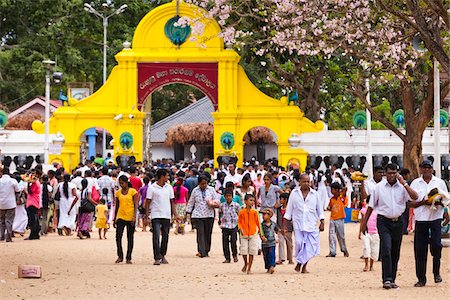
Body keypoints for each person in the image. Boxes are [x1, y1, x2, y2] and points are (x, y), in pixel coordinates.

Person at [361, 163, 418, 289]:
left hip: (398, 222)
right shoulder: (379, 188)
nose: (392, 175)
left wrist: (404, 183)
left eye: (394, 173)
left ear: (397, 173)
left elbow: (415, 197)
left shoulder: (402, 187)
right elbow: (370, 206)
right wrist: (364, 224)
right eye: (389, 173)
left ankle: (392, 279)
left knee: (395, 252)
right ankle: (386, 279)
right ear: (385, 174)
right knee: (386, 248)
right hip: (383, 221)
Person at [409, 160, 448, 287]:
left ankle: (436, 272)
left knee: (437, 245)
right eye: (424, 168)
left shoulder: (440, 182)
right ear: (420, 169)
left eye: (428, 168)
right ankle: (421, 278)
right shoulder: (415, 183)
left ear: (432, 169)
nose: (426, 170)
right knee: (420, 250)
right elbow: (410, 203)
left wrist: (437, 202)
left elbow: (446, 200)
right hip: (421, 220)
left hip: (435, 218)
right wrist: (423, 202)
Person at [284, 173, 324, 273]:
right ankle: (299, 262)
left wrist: (322, 221)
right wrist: (284, 225)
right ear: (300, 182)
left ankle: (302, 265)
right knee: (299, 243)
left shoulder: (315, 194)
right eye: (304, 181)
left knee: (309, 246)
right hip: (298, 223)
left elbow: (320, 209)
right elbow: (289, 210)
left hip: (311, 224)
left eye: (308, 181)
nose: (306, 183)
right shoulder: (294, 193)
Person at [145, 168, 177, 265]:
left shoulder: (169, 188)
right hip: (155, 214)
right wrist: (147, 216)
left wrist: (175, 214)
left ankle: (163, 255)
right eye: (167, 175)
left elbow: (172, 202)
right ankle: (157, 257)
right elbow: (148, 202)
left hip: (166, 215)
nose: (168, 177)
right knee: (156, 236)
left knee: (165, 237)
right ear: (162, 176)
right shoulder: (152, 187)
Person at [186, 175, 218, 258]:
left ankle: (206, 250)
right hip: (198, 215)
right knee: (200, 233)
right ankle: (201, 251)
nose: (204, 185)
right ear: (199, 183)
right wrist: (188, 212)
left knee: (208, 233)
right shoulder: (195, 191)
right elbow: (191, 202)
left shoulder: (211, 190)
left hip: (209, 214)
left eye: (205, 184)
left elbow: (217, 200)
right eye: (202, 184)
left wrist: (212, 203)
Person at [114, 175, 138, 263]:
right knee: (118, 237)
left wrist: (134, 216)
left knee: (130, 238)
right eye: (120, 183)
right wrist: (114, 218)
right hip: (120, 216)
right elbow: (116, 206)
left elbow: (136, 205)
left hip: (130, 217)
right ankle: (120, 256)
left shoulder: (133, 192)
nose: (121, 185)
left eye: (122, 183)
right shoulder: (118, 193)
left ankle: (129, 257)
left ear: (126, 182)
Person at [238, 194, 262, 274]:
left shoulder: (255, 212)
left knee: (252, 251)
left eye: (253, 201)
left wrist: (261, 232)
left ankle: (249, 268)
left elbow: (258, 222)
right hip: (244, 234)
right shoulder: (241, 212)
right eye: (250, 200)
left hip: (253, 233)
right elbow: (239, 222)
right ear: (245, 201)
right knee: (244, 251)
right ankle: (245, 263)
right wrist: (240, 229)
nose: (252, 202)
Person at [326, 182, 349, 257]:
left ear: (336, 190)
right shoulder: (331, 199)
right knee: (331, 235)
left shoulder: (342, 197)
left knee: (341, 236)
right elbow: (329, 207)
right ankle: (332, 251)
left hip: (340, 219)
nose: (331, 191)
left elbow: (345, 189)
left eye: (332, 190)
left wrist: (340, 191)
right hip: (332, 219)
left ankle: (344, 249)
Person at [0, 167, 21, 242]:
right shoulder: (13, 181)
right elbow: (18, 191)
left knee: (1, 220)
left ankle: (1, 236)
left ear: (1, 173)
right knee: (9, 220)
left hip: (1, 204)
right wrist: (17, 199)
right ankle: (8, 237)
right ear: (9, 173)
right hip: (11, 203)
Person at [219, 190, 240, 263]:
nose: (228, 198)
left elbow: (239, 214)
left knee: (233, 241)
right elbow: (220, 213)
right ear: (224, 197)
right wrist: (220, 221)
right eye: (227, 196)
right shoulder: (222, 205)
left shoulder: (236, 205)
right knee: (225, 242)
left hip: (234, 225)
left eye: (230, 196)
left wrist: (239, 224)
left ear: (232, 197)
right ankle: (227, 257)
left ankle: (234, 255)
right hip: (225, 225)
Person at [359, 196, 379, 272]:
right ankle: (366, 265)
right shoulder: (363, 210)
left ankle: (371, 266)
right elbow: (362, 222)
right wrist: (360, 232)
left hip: (375, 232)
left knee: (374, 249)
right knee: (366, 248)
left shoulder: (378, 211)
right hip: (366, 232)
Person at [276, 192, 293, 265]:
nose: (280, 200)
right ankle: (281, 258)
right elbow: (278, 218)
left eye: (281, 199)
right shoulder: (279, 209)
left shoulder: (290, 209)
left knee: (289, 244)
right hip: (280, 228)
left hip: (288, 229)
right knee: (281, 243)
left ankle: (290, 258)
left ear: (285, 200)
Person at [25, 169, 42, 240]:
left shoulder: (35, 183)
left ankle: (33, 234)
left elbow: (30, 192)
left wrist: (28, 183)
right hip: (34, 202)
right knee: (35, 218)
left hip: (32, 202)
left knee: (32, 219)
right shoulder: (37, 182)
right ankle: (36, 234)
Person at [261, 208, 277, 274]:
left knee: (272, 254)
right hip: (264, 243)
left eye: (265, 214)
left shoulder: (273, 224)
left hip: (272, 242)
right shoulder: (261, 225)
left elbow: (276, 230)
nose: (263, 216)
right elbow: (260, 232)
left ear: (269, 215)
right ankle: (268, 267)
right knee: (266, 255)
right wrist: (262, 237)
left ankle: (272, 266)